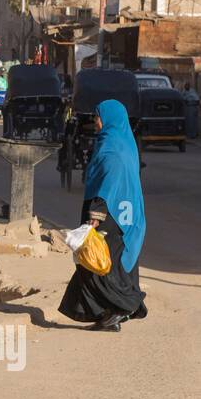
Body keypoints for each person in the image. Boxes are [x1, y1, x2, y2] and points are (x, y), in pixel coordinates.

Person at [58, 99, 147, 332]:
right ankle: (109, 314)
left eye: (98, 117)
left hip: (113, 216)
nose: (96, 122)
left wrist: (96, 214)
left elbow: (111, 180)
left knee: (100, 265)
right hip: (122, 214)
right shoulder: (122, 142)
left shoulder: (113, 147)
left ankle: (122, 307)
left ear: (109, 119)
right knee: (98, 264)